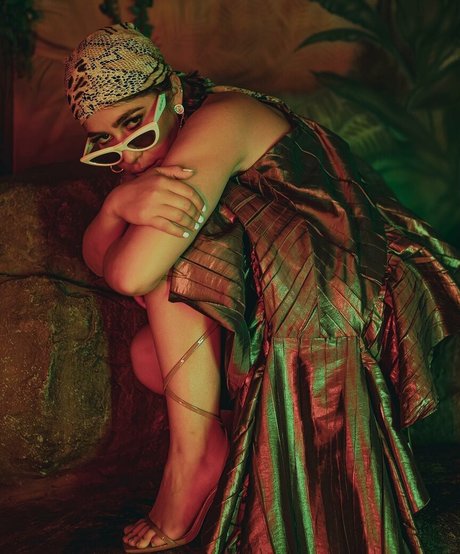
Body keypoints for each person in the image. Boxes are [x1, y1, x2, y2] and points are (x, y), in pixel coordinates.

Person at [64, 22, 460, 553]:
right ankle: (222, 447)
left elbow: (130, 272)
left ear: (173, 91)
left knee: (181, 244)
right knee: (146, 355)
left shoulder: (220, 119)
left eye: (135, 126)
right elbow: (104, 259)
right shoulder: (162, 150)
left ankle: (193, 461)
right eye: (104, 145)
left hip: (350, 297)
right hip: (288, 295)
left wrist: (119, 209)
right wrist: (118, 208)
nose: (130, 157)